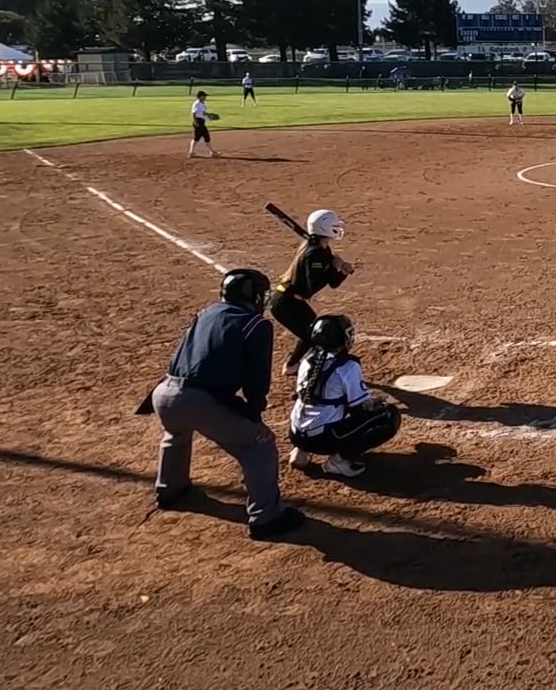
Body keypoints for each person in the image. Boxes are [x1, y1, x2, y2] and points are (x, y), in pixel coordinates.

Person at [144, 268, 305, 540]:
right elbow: (256, 380)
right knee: (259, 446)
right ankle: (266, 517)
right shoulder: (255, 324)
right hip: (199, 399)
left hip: (164, 394)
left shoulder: (205, 312)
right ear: (254, 297)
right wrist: (254, 417)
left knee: (176, 434)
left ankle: (170, 489)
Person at [286, 314, 402, 477]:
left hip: (295, 434)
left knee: (320, 403)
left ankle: (300, 452)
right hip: (322, 440)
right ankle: (340, 461)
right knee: (388, 415)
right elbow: (359, 409)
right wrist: (376, 404)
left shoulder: (307, 361)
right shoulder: (348, 366)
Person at [272, 208, 356, 374]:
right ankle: (291, 366)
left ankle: (297, 360)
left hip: (295, 300)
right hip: (285, 302)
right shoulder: (314, 254)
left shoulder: (322, 250)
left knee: (314, 331)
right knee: (312, 333)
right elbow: (312, 287)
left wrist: (342, 272)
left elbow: (333, 283)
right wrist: (334, 267)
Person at [188, 90, 219, 158]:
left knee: (206, 137)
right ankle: (191, 152)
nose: (205, 97)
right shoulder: (197, 103)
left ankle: (212, 152)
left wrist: (209, 115)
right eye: (204, 96)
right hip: (198, 122)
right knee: (196, 138)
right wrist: (195, 122)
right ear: (200, 96)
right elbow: (193, 113)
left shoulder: (202, 103)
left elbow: (202, 113)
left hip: (202, 122)